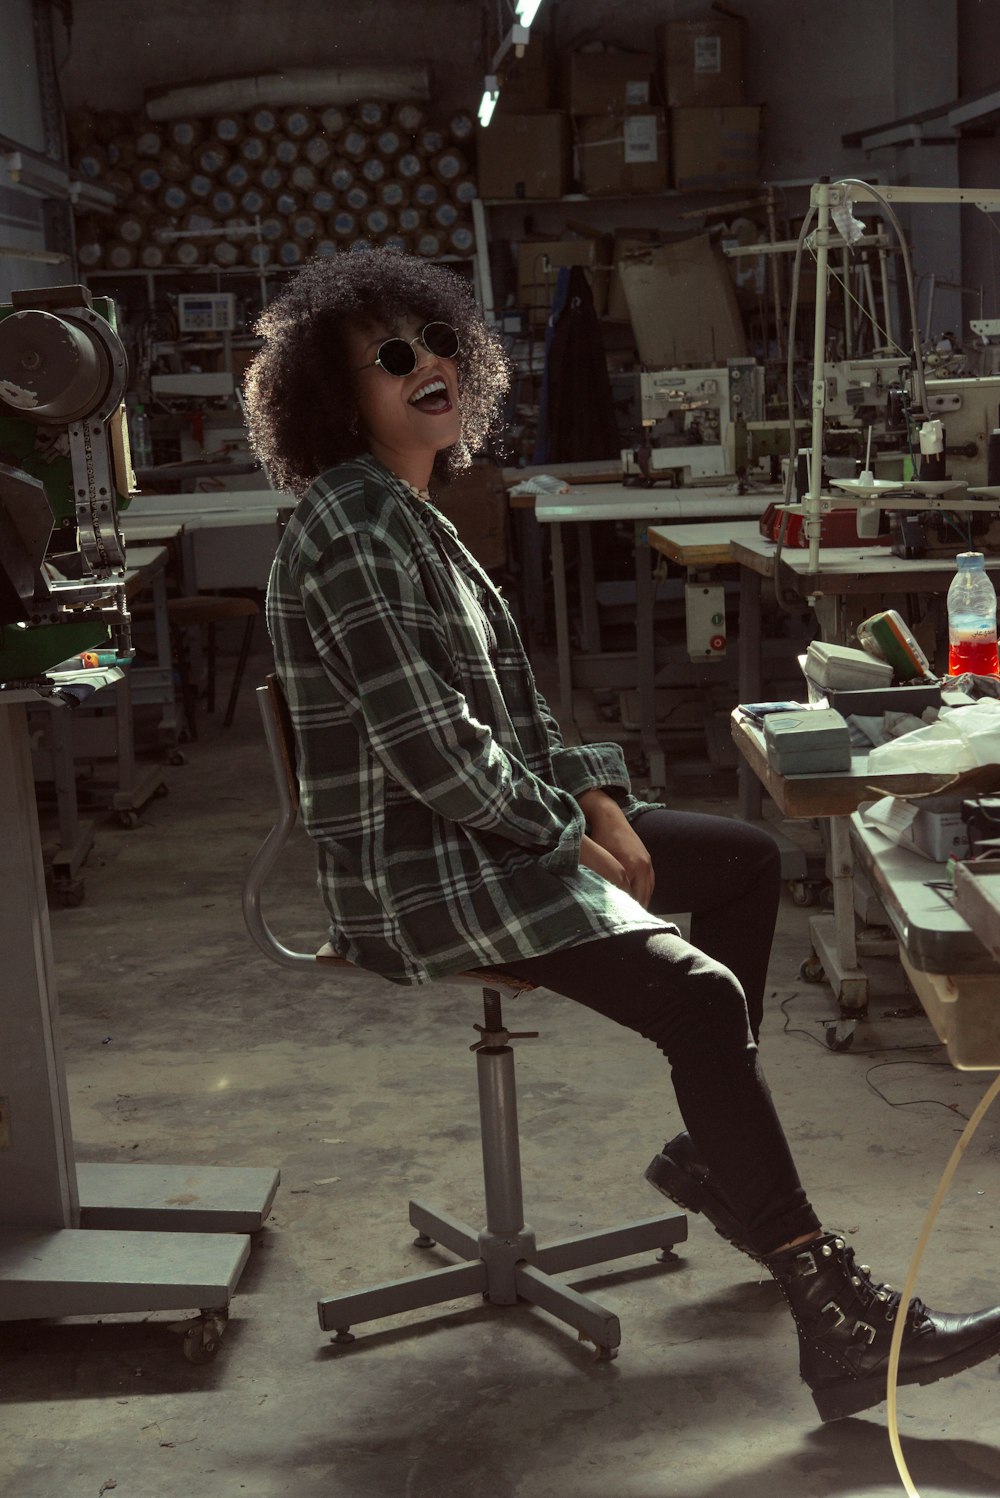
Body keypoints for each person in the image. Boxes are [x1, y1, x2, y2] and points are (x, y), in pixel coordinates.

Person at [245, 247, 1000, 1424]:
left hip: (485, 834)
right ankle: (837, 1320)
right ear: (338, 398)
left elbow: (512, 708)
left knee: (745, 864)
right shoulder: (354, 527)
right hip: (425, 872)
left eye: (435, 342)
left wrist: (592, 797)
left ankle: (714, 1164)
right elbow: (433, 752)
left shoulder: (413, 512)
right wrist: (566, 838)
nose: (429, 366)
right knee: (698, 997)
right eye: (391, 359)